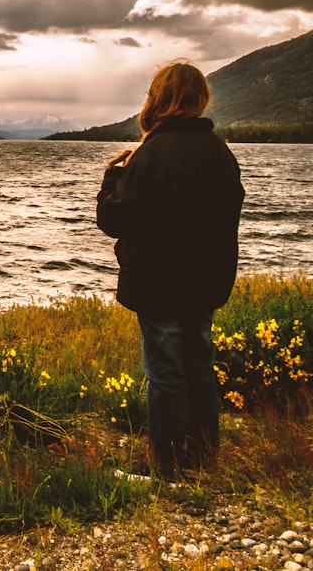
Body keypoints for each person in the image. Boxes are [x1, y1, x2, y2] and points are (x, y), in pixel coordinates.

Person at [96, 60, 244, 480]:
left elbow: (114, 219)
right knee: (198, 363)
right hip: (207, 279)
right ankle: (202, 457)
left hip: (161, 282)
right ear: (199, 100)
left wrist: (112, 179)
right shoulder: (219, 150)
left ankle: (166, 468)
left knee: (164, 370)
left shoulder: (152, 153)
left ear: (157, 99)